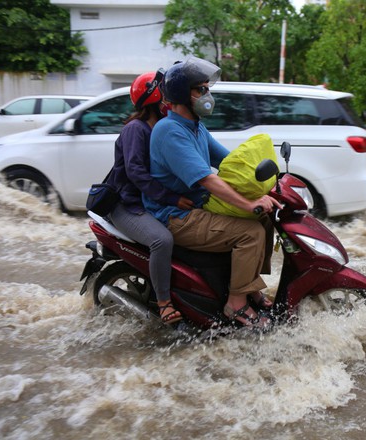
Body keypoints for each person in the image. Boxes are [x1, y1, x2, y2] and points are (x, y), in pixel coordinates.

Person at [144, 58, 280, 329]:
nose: (207, 96)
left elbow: (229, 162)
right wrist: (247, 203)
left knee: (265, 221)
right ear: (183, 94)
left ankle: (248, 285)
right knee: (249, 233)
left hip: (197, 206)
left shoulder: (196, 127)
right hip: (177, 216)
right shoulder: (170, 131)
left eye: (207, 89)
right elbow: (207, 179)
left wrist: (269, 183)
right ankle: (236, 304)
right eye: (200, 90)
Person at [106, 69, 194, 325]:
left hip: (150, 202)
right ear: (155, 97)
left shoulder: (165, 127)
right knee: (162, 240)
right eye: (166, 95)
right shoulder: (136, 129)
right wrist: (172, 198)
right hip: (127, 205)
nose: (171, 100)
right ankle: (163, 302)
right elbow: (136, 173)